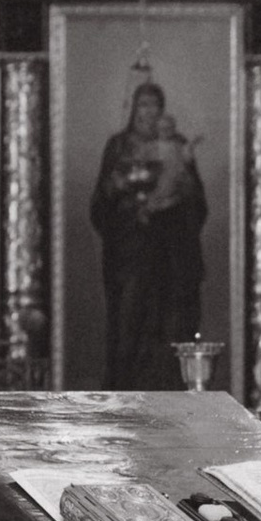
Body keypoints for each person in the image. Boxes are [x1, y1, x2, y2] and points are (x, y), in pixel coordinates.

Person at [88, 76, 207, 385]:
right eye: (143, 105)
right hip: (130, 255)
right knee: (129, 324)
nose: (149, 112)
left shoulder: (177, 146)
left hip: (170, 253)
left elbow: (197, 204)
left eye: (155, 105)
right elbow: (100, 206)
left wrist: (180, 192)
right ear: (134, 110)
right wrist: (118, 190)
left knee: (169, 327)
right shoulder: (118, 146)